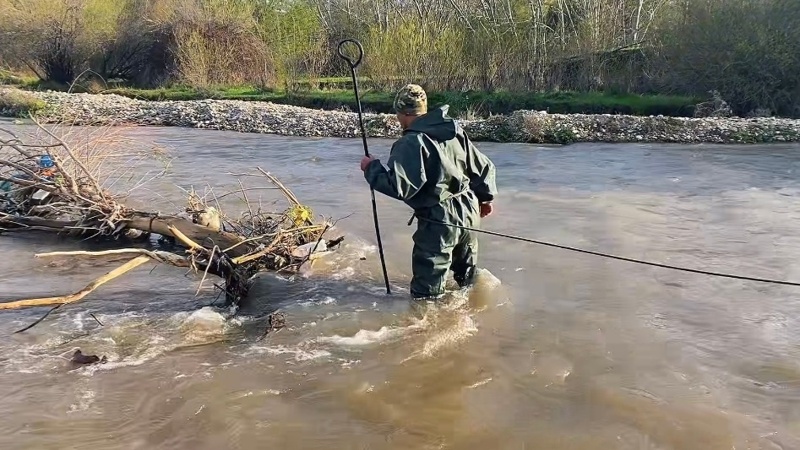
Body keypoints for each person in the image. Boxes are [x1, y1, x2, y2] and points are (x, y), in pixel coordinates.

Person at [360, 84, 498, 300]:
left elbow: (400, 186)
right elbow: (483, 166)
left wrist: (371, 168)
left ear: (402, 113)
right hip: (469, 208)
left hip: (439, 219)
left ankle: (430, 328)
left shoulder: (410, 142)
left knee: (427, 293)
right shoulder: (453, 130)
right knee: (468, 277)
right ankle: (475, 316)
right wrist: (486, 198)